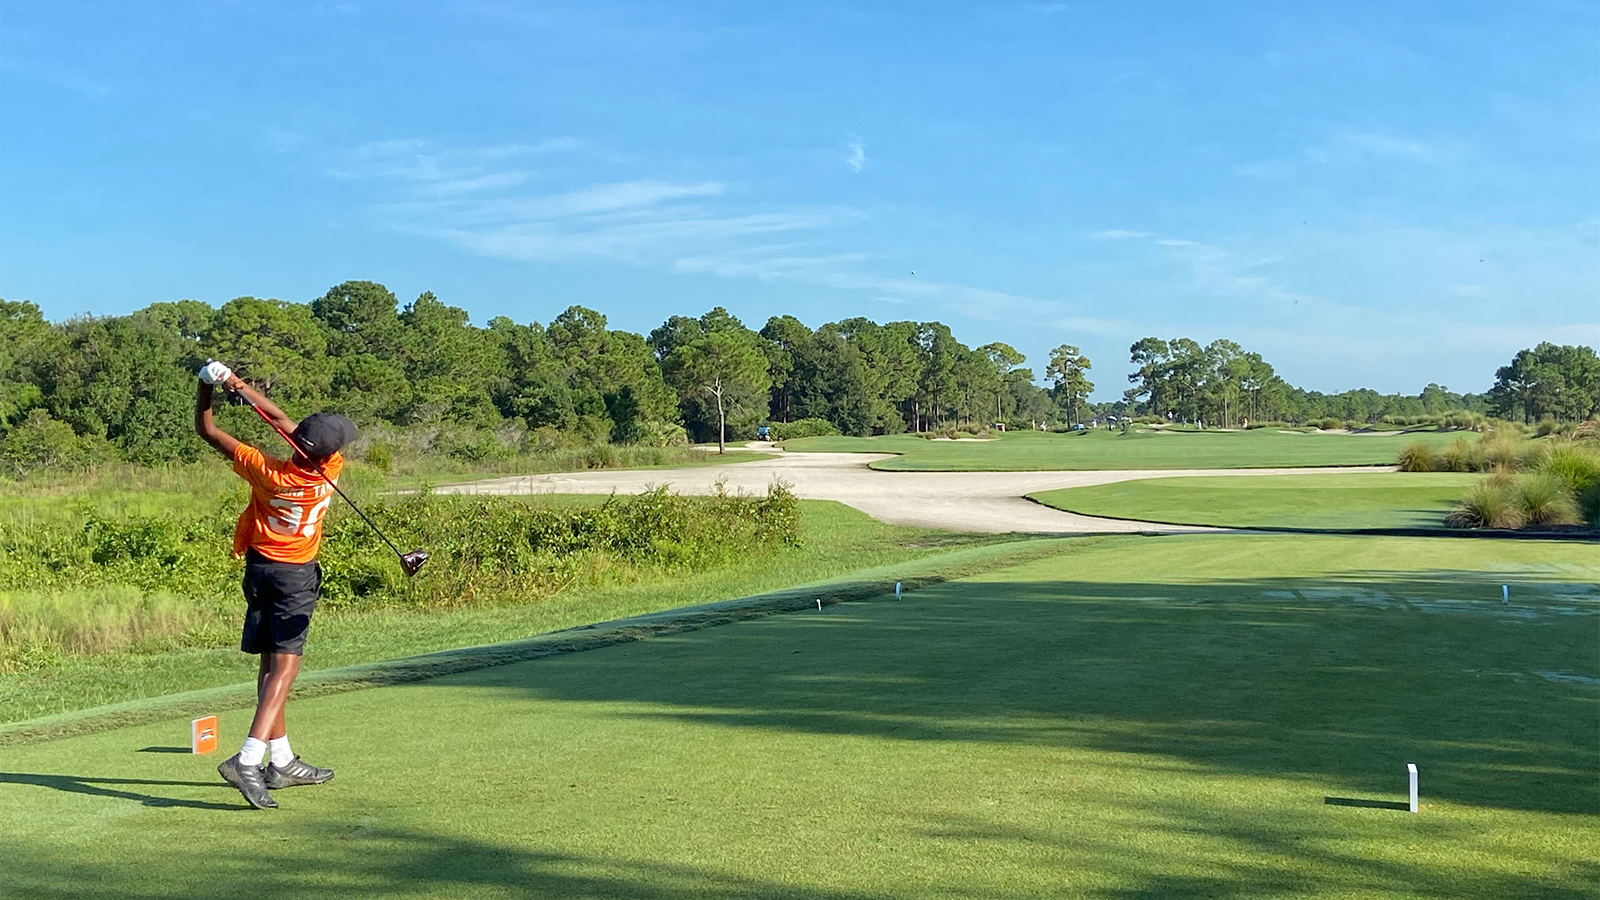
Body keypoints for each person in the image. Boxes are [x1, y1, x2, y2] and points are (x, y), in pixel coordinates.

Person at [193, 360, 356, 810]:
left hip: (260, 569)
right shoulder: (330, 469)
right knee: (285, 670)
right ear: (326, 454)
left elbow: (209, 431)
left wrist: (212, 386)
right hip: (296, 578)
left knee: (270, 669)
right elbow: (283, 422)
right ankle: (248, 759)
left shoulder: (268, 471)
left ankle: (280, 761)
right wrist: (238, 386)